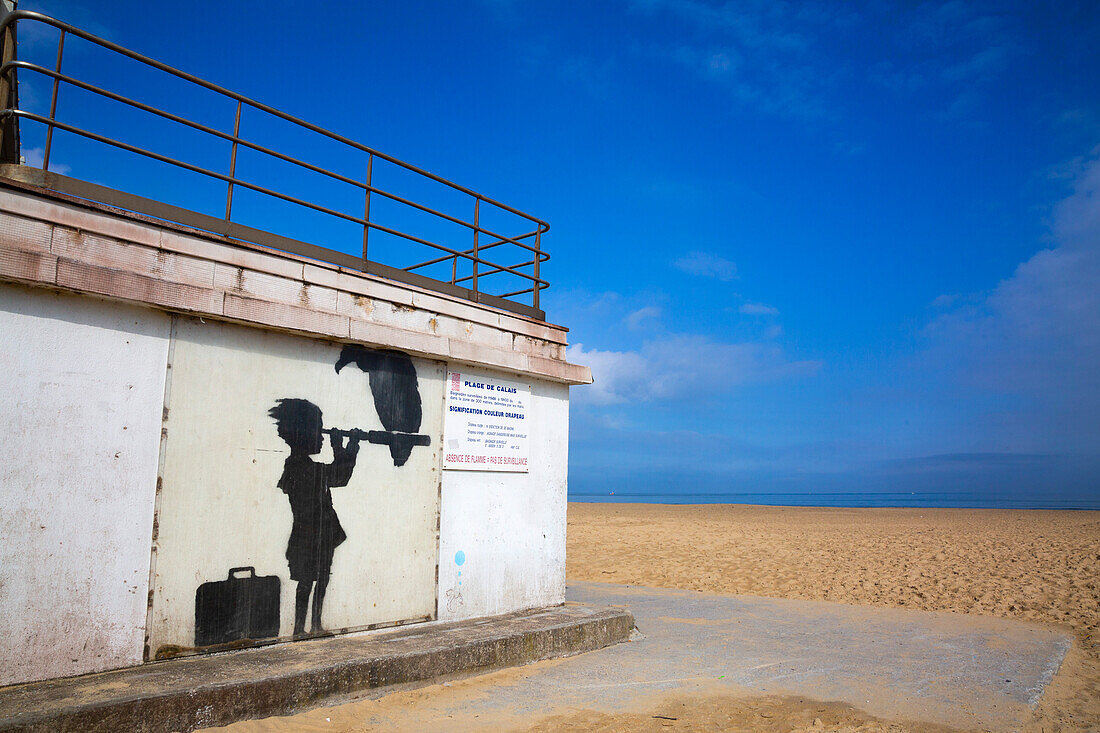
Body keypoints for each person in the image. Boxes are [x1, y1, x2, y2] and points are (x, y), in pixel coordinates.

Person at [268, 398, 360, 635]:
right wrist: (344, 446)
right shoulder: (301, 467)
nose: (321, 437)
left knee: (318, 579)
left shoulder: (300, 465)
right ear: (302, 434)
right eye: (318, 431)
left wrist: (346, 447)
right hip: (312, 534)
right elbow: (340, 476)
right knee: (309, 581)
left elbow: (336, 476)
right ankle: (302, 627)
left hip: (317, 533)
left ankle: (313, 625)